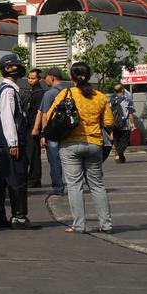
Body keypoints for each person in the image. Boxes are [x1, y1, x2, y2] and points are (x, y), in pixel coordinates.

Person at [52, 62, 114, 234]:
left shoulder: (66, 94)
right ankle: (106, 224)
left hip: (70, 144)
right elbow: (109, 122)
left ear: (71, 77)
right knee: (97, 185)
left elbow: (51, 115)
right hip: (94, 144)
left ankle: (79, 224)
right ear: (89, 76)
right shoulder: (100, 96)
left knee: (75, 186)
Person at [0, 54, 33, 229]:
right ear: (8, 69)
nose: (19, 68)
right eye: (15, 66)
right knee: (17, 179)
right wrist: (13, 142)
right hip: (8, 143)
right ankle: (19, 216)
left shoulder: (0, 89)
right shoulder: (8, 90)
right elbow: (7, 117)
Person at [35, 68, 73, 195]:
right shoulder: (70, 91)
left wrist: (44, 134)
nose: (44, 80)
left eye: (45, 77)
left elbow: (45, 115)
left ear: (52, 78)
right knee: (70, 160)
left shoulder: (49, 94)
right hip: (69, 131)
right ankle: (73, 186)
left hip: (54, 133)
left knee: (55, 161)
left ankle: (58, 188)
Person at [24, 68, 45, 186]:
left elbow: (40, 112)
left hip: (34, 126)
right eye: (29, 78)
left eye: (33, 78)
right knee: (28, 153)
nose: (30, 80)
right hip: (28, 126)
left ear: (39, 79)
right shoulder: (30, 92)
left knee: (33, 154)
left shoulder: (40, 93)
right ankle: (30, 177)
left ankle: (34, 179)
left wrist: (37, 128)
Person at [108, 83, 140, 162]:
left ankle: (120, 157)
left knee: (117, 140)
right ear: (122, 90)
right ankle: (119, 152)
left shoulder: (111, 100)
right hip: (124, 125)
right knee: (125, 141)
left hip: (114, 124)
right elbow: (131, 113)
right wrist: (132, 124)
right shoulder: (127, 99)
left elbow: (108, 112)